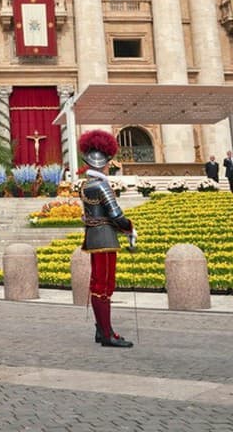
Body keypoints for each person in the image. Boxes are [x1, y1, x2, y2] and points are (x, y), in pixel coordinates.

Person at [77, 130, 134, 348]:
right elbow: (116, 215)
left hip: (93, 237)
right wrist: (129, 228)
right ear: (103, 163)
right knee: (105, 284)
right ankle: (107, 333)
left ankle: (101, 329)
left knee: (97, 283)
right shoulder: (102, 185)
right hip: (106, 238)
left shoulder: (85, 185)